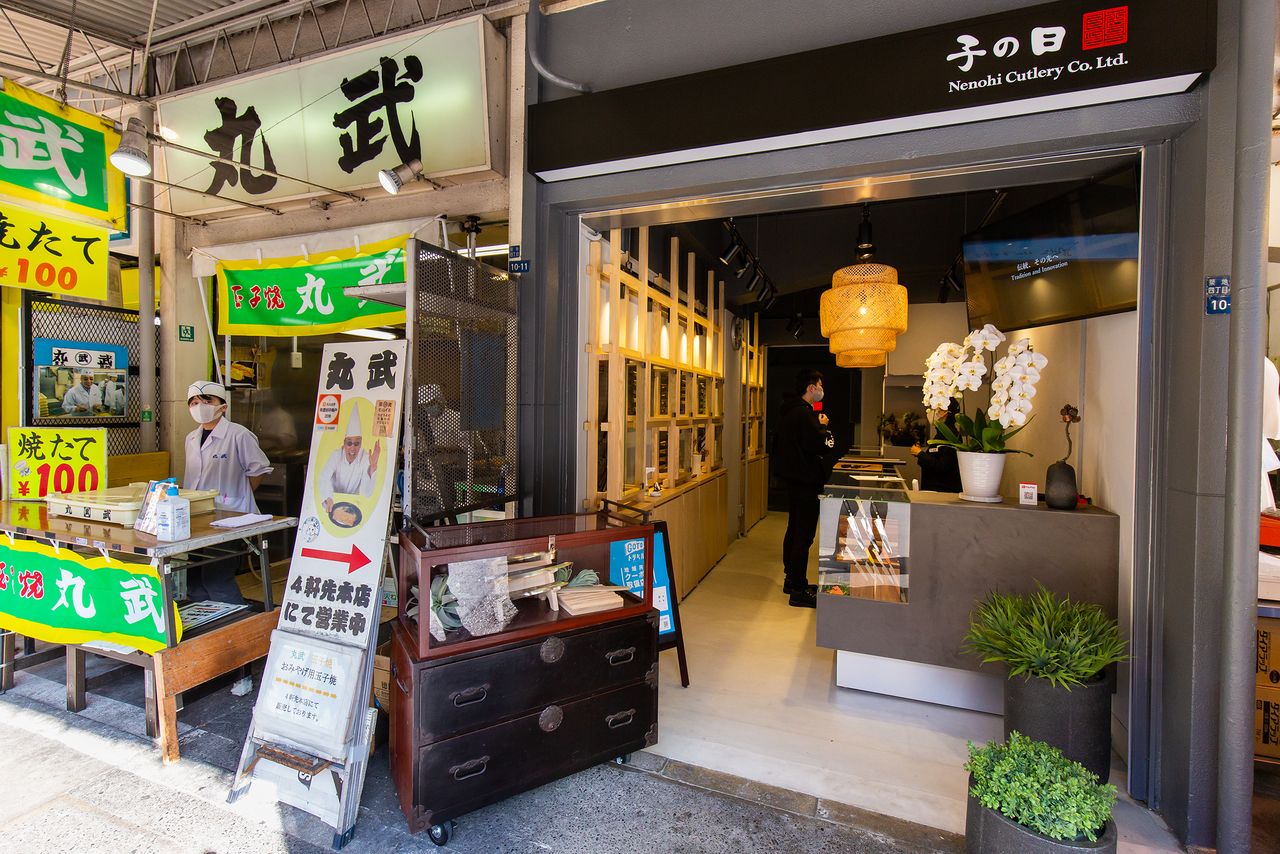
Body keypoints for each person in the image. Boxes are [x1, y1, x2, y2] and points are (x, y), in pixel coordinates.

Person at [183, 380, 273, 604]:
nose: (200, 406)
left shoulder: (239, 435)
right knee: (194, 579)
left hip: (231, 516)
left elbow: (258, 470)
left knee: (217, 579)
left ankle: (238, 620)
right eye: (194, 402)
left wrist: (237, 495)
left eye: (207, 401)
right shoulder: (191, 438)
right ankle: (208, 620)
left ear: (223, 406)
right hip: (197, 517)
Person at [772, 368, 835, 608]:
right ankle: (798, 590)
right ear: (811, 388)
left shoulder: (789, 411)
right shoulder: (803, 413)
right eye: (820, 385)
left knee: (794, 529)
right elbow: (822, 445)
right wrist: (824, 427)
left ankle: (792, 579)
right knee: (804, 535)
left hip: (793, 479)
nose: (822, 390)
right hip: (807, 480)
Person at [318, 409, 380, 513]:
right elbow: (324, 477)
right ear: (344, 443)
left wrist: (372, 468)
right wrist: (328, 497)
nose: (352, 448)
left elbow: (366, 493)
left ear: (361, 444)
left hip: (352, 506)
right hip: (332, 502)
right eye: (349, 443)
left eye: (356, 444)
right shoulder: (336, 455)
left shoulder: (365, 458)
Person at [914, 400, 963, 493]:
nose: (932, 413)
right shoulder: (941, 433)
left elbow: (943, 466)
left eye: (936, 409)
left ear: (945, 412)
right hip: (936, 490)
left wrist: (920, 454)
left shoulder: (950, 435)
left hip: (943, 492)